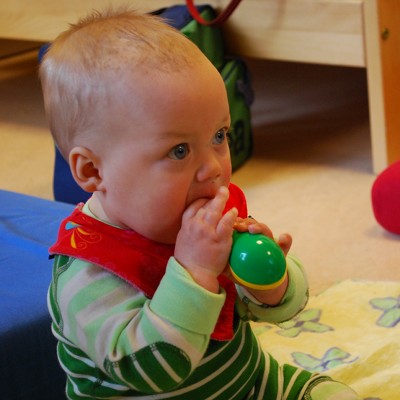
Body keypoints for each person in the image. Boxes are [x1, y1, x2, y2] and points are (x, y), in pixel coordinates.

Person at [41, 8, 361, 400]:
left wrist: (271, 285)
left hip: (250, 384)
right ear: (93, 170)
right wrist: (195, 273)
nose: (213, 168)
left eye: (219, 135)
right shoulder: (88, 271)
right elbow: (153, 371)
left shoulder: (206, 214)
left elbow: (278, 309)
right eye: (179, 150)